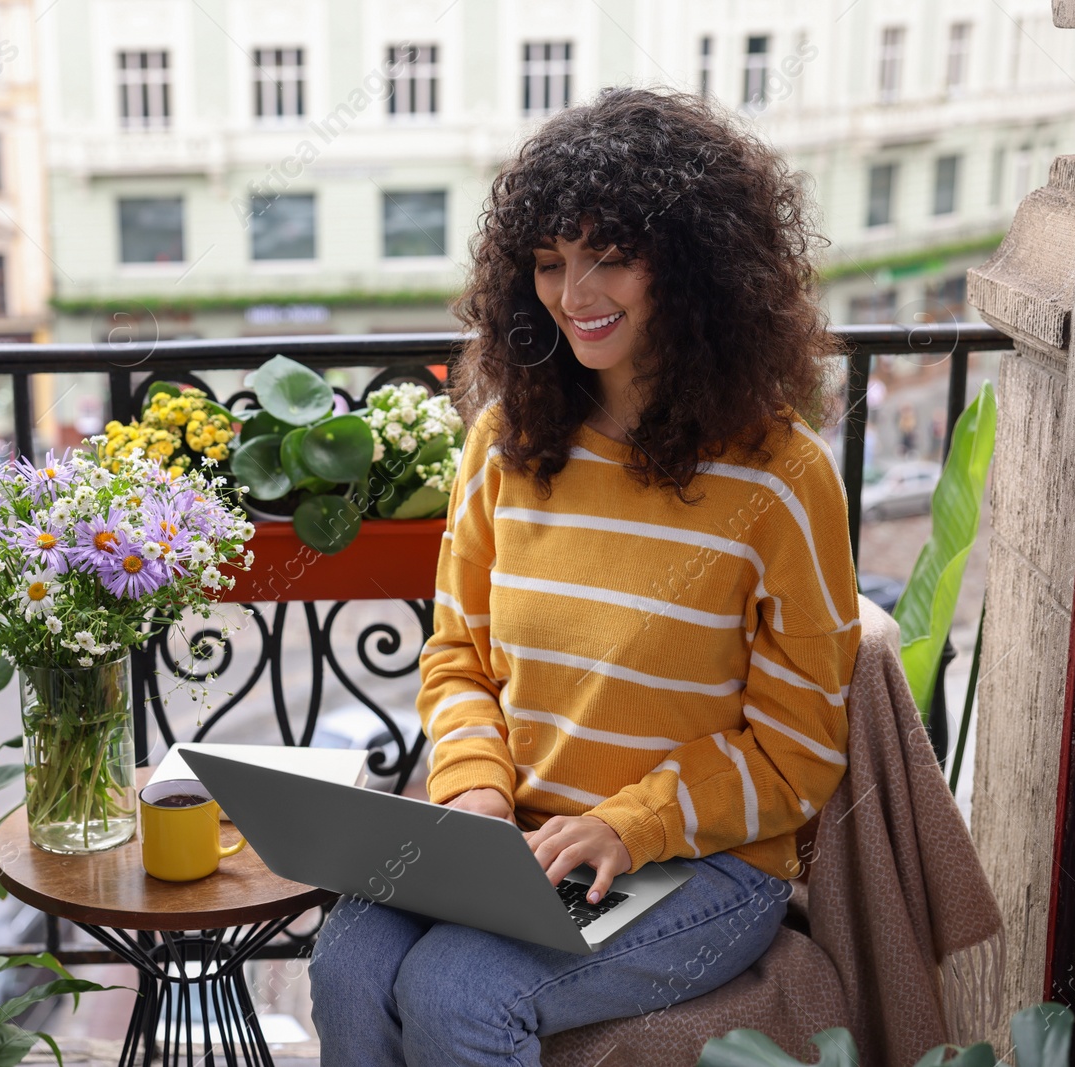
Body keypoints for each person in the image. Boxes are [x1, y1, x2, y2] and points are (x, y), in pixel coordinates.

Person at [308, 87, 861, 1067]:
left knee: (456, 991)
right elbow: (459, 659)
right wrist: (474, 793)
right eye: (551, 262)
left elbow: (797, 749)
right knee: (348, 960)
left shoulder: (782, 479)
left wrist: (626, 823)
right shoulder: (504, 444)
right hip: (508, 844)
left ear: (694, 265)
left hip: (705, 866)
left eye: (610, 256)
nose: (574, 293)